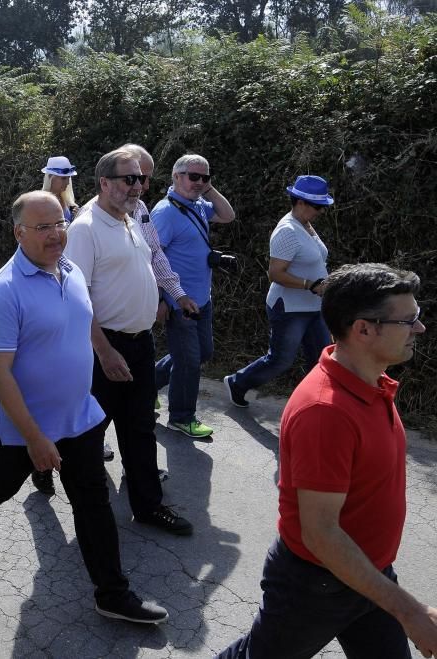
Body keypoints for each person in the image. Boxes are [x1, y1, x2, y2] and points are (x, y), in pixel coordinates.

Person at [0, 191, 169, 628]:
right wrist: (34, 438)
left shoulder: (69, 270)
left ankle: (112, 593)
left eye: (60, 223)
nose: (56, 234)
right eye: (43, 227)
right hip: (23, 426)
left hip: (78, 417)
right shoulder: (4, 291)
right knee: (0, 485)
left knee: (92, 502)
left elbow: (83, 315)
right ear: (18, 232)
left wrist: (104, 351)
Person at [217, 263, 437, 659]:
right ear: (364, 329)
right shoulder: (325, 412)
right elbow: (322, 535)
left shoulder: (373, 382)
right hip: (318, 587)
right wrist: (411, 611)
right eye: (409, 320)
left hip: (370, 577)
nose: (419, 328)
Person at [64, 149, 193, 536]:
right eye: (128, 179)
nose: (137, 186)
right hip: (104, 347)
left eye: (140, 179)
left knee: (139, 427)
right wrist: (103, 350)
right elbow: (76, 299)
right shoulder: (85, 228)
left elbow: (148, 264)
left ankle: (148, 506)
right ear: (104, 183)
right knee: (88, 431)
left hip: (139, 345)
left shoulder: (132, 218)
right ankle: (88, 510)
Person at [224, 175, 333, 408]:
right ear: (301, 202)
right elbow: (275, 274)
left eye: (323, 206)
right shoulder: (287, 231)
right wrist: (311, 285)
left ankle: (318, 407)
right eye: (318, 206)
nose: (321, 211)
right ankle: (238, 382)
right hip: (290, 308)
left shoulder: (306, 225)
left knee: (323, 360)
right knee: (280, 360)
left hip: (314, 307)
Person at [151, 153, 236, 439]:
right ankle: (182, 417)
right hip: (180, 300)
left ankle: (149, 385)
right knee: (188, 361)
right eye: (193, 176)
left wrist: (208, 188)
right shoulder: (165, 212)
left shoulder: (198, 204)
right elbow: (151, 256)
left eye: (204, 177)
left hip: (202, 297)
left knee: (202, 353)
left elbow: (228, 215)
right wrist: (162, 298)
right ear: (176, 176)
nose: (198, 182)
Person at [40, 156, 80, 222]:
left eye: (68, 178)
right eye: (63, 178)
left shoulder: (66, 200)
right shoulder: (42, 203)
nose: (67, 183)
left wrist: (76, 218)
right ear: (50, 177)